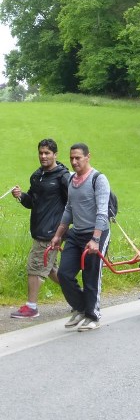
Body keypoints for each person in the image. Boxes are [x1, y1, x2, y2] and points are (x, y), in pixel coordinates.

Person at [50, 143, 111, 331]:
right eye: (71, 158)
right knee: (64, 274)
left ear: (87, 157)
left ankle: (93, 316)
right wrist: (58, 235)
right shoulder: (71, 179)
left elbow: (102, 212)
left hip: (96, 234)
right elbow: (69, 208)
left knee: (90, 277)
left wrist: (95, 239)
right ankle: (81, 307)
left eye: (78, 157)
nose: (74, 161)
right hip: (76, 234)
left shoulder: (98, 179)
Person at [10, 139, 70, 319]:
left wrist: (62, 231)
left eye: (47, 153)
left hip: (51, 232)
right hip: (38, 229)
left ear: (55, 154)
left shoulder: (62, 177)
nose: (43, 156)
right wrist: (21, 196)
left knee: (34, 268)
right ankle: (80, 298)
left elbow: (71, 205)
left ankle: (32, 307)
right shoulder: (37, 176)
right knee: (51, 271)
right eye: (41, 153)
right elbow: (32, 203)